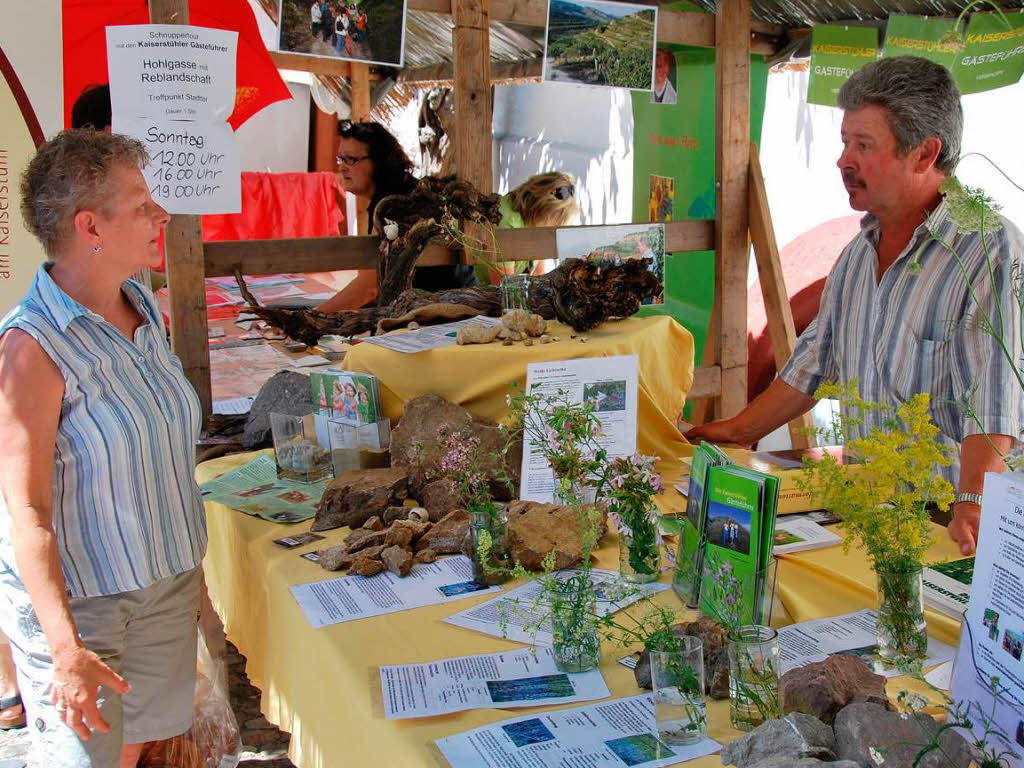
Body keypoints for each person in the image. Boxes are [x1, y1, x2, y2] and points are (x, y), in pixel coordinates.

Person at [685, 56, 1024, 557]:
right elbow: (812, 365)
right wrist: (735, 431)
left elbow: (993, 405)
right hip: (871, 506)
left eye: (863, 145)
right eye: (845, 142)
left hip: (950, 519)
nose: (844, 161)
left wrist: (972, 505)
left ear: (924, 154)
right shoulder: (857, 253)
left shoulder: (988, 248)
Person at [0, 130, 207, 766]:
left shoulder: (141, 301)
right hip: (81, 609)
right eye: (142, 203)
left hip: (165, 585)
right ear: (90, 225)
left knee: (132, 748)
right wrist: (64, 648)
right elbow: (26, 512)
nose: (162, 215)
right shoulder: (30, 349)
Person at [317, 121, 476, 311]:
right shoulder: (402, 191)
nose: (342, 167)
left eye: (351, 159)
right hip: (446, 304)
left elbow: (369, 288)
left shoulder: (392, 205)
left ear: (378, 162)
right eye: (340, 159)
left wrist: (311, 317)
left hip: (443, 313)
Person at [476, 171, 579, 282]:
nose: (553, 226)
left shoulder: (537, 223)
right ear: (543, 208)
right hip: (478, 290)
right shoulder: (505, 221)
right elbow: (503, 285)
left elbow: (539, 273)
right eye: (555, 219)